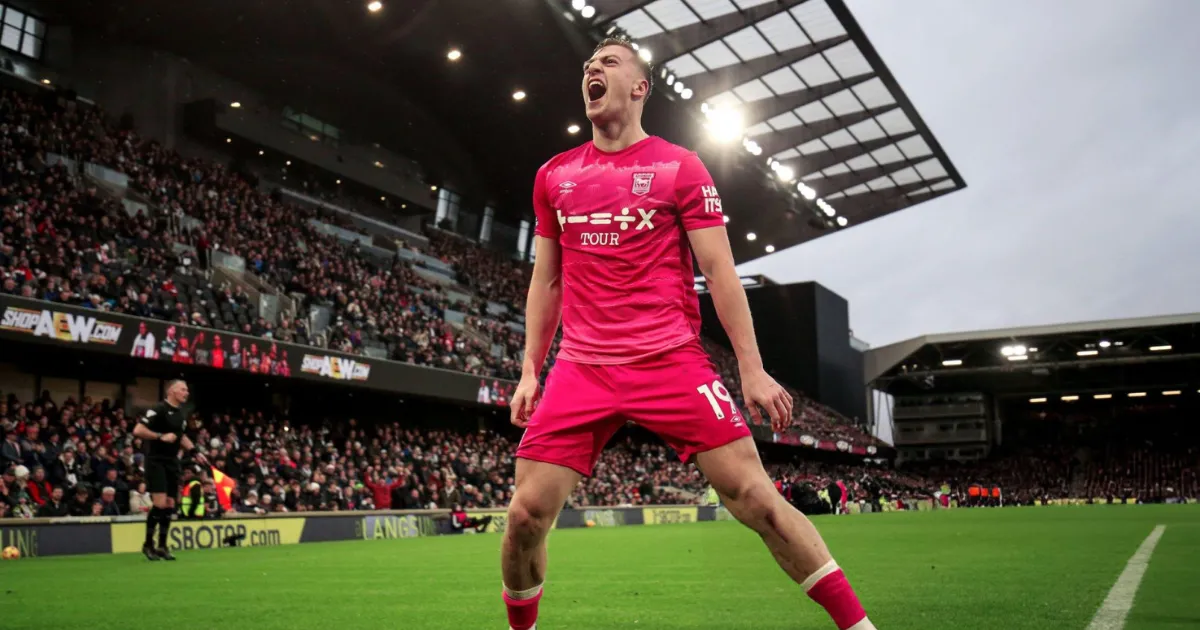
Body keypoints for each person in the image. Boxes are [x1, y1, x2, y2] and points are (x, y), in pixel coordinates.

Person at [500, 38, 875, 630]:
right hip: (582, 366)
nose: (592, 69)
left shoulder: (680, 167)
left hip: (669, 359)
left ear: (640, 86)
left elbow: (721, 272)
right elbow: (547, 283)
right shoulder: (554, 176)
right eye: (587, 66)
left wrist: (751, 367)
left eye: (609, 62)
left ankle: (859, 627)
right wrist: (529, 370)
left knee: (757, 501)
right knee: (523, 517)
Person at [131, 380, 207, 561]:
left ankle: (162, 545)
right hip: (156, 461)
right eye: (183, 389)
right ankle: (148, 544)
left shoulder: (181, 414)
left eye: (187, 390)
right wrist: (159, 436)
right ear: (172, 391)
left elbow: (181, 437)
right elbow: (138, 429)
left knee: (171, 504)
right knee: (159, 503)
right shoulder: (158, 409)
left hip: (173, 462)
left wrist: (195, 451)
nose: (186, 392)